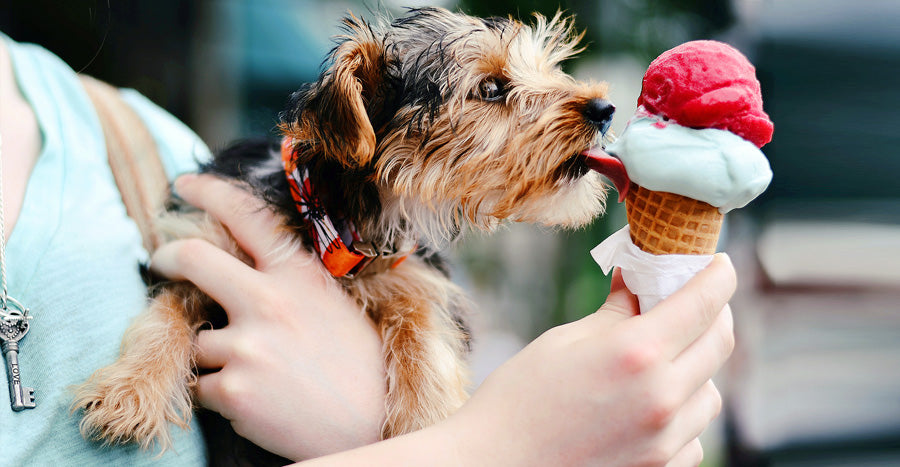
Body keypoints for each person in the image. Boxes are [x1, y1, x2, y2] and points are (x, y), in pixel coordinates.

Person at [1, 32, 736, 466]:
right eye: (492, 90)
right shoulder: (214, 193)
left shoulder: (140, 146)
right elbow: (180, 292)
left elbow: (432, 407)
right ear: (364, 120)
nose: (589, 103)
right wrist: (494, 444)